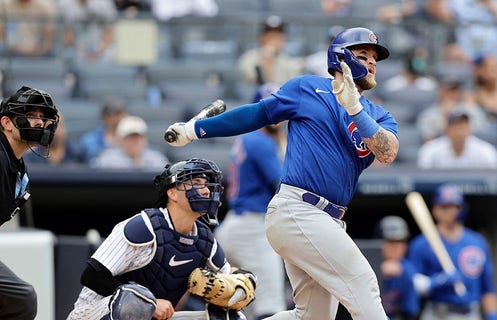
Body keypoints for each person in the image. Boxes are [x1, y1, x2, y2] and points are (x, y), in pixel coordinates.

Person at [166, 26, 399, 319]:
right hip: (299, 209)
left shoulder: (379, 115)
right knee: (364, 286)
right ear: (341, 58)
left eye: (375, 57)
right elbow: (256, 114)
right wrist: (194, 129)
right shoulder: (308, 88)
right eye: (363, 54)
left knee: (311, 317)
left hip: (329, 220)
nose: (372, 62)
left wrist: (354, 110)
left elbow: (388, 152)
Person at [67, 158, 253, 320]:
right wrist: (151, 303)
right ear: (172, 193)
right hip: (92, 314)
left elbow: (228, 276)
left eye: (206, 184)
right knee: (133, 303)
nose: (205, 191)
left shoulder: (205, 240)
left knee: (230, 316)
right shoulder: (144, 226)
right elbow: (91, 276)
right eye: (196, 183)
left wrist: (245, 281)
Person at [214, 83, 288, 320]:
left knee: (240, 306)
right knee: (270, 307)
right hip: (253, 229)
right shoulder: (261, 141)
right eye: (270, 108)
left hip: (236, 225)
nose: (276, 113)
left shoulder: (252, 138)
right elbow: (281, 184)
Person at [0, 86, 59, 319]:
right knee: (22, 299)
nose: (39, 122)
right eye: (31, 116)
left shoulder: (17, 167)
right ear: (6, 123)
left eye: (43, 118)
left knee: (22, 300)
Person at [407, 184, 497, 320]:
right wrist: (437, 281)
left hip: (471, 312)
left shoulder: (476, 242)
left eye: (454, 206)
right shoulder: (421, 244)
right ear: (435, 210)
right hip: (437, 312)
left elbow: (488, 287)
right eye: (444, 206)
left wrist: (492, 315)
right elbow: (410, 284)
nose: (450, 211)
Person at [416, 110, 497, 169]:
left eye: (463, 127)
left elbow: (495, 177)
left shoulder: (485, 151)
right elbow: (422, 176)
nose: (459, 132)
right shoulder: (431, 149)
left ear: (469, 129)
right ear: (447, 129)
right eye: (455, 127)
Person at [237, 15, 303, 86]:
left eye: (278, 36)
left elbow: (294, 88)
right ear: (262, 38)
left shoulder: (288, 61)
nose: (274, 40)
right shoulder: (248, 58)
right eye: (270, 36)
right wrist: (266, 60)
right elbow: (251, 82)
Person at [379, 215, 421, 320]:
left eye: (401, 242)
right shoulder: (365, 265)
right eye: (391, 242)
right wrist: (379, 271)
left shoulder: (407, 268)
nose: (397, 248)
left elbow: (411, 311)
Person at [91, 114, 169, 170]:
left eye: (139, 137)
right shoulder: (107, 160)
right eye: (131, 138)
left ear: (145, 139)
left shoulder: (157, 160)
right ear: (120, 140)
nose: (136, 142)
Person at [77, 98, 127, 163]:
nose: (120, 118)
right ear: (104, 117)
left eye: (122, 114)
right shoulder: (89, 141)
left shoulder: (132, 139)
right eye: (116, 114)